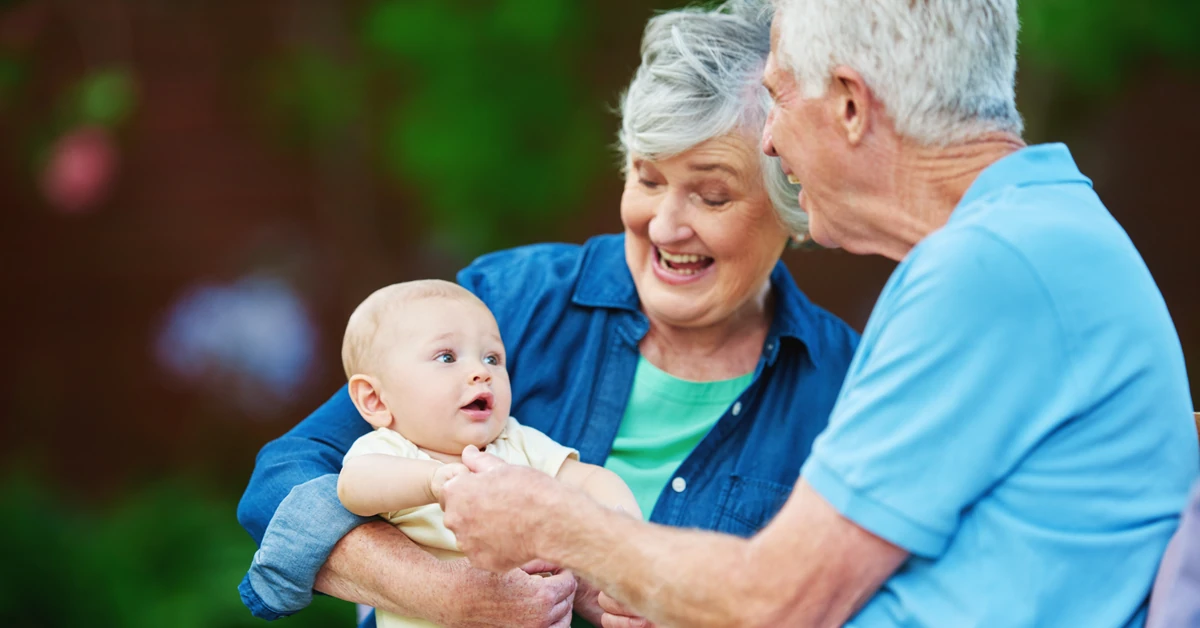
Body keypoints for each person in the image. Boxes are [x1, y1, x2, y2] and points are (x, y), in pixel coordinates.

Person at [437, 0, 1200, 626]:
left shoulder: (989, 270)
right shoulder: (1037, 235)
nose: (768, 138)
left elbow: (782, 599)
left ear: (848, 105)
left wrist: (554, 523)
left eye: (775, 96)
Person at [235, 1, 861, 626]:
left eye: (713, 194)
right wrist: (447, 592)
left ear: (795, 198)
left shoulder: (846, 386)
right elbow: (287, 476)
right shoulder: (508, 302)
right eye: (646, 179)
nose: (665, 225)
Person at [336, 280, 639, 628]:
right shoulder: (394, 452)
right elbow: (353, 487)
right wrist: (435, 481)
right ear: (375, 399)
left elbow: (590, 478)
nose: (481, 372)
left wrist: (626, 541)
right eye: (446, 357)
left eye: (492, 358)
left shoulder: (516, 441)